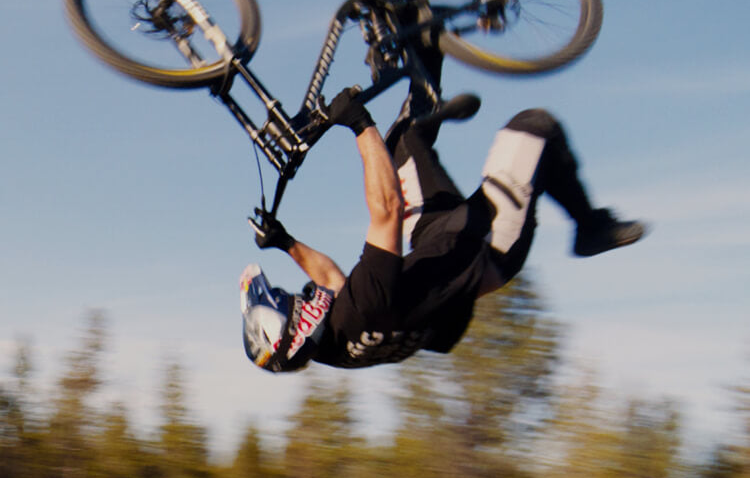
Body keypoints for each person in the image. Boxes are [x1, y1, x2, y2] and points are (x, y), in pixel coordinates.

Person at [240, 55, 646, 374]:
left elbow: (330, 280)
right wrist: (359, 122)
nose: (297, 296)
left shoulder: (333, 345)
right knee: (535, 128)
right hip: (487, 245)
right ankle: (589, 228)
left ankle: (424, 43)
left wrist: (286, 242)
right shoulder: (362, 308)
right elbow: (387, 209)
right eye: (288, 301)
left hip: (437, 239)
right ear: (296, 326)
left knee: (402, 140)